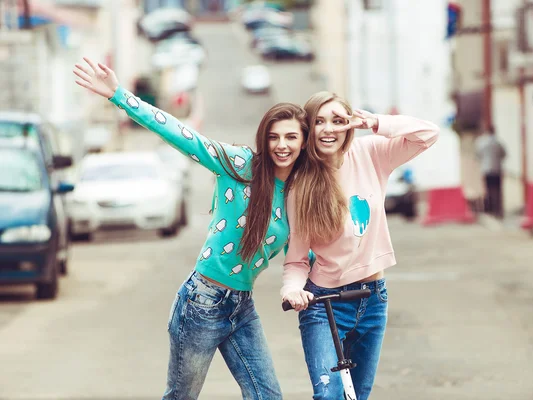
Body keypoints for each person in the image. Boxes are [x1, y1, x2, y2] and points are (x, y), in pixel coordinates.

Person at [73, 57, 308, 400]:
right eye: (273, 137)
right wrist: (119, 96)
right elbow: (183, 136)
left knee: (267, 395)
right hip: (202, 302)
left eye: (291, 137)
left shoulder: (299, 193)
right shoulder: (240, 165)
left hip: (242, 305)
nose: (281, 145)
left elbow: (302, 255)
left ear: (303, 142)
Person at [281, 91, 439, 399]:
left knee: (358, 396)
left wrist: (375, 122)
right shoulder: (301, 185)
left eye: (338, 121)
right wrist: (291, 290)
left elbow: (427, 134)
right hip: (322, 304)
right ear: (308, 129)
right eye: (320, 122)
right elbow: (297, 259)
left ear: (350, 125)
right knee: (329, 395)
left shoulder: (370, 153)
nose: (329, 129)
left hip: (373, 298)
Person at [475, 126, 506, 218]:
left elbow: (478, 155)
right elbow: (504, 154)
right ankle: (498, 209)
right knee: (497, 190)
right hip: (497, 169)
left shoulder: (481, 143)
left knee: (488, 190)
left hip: (486, 169)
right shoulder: (498, 142)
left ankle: (489, 208)